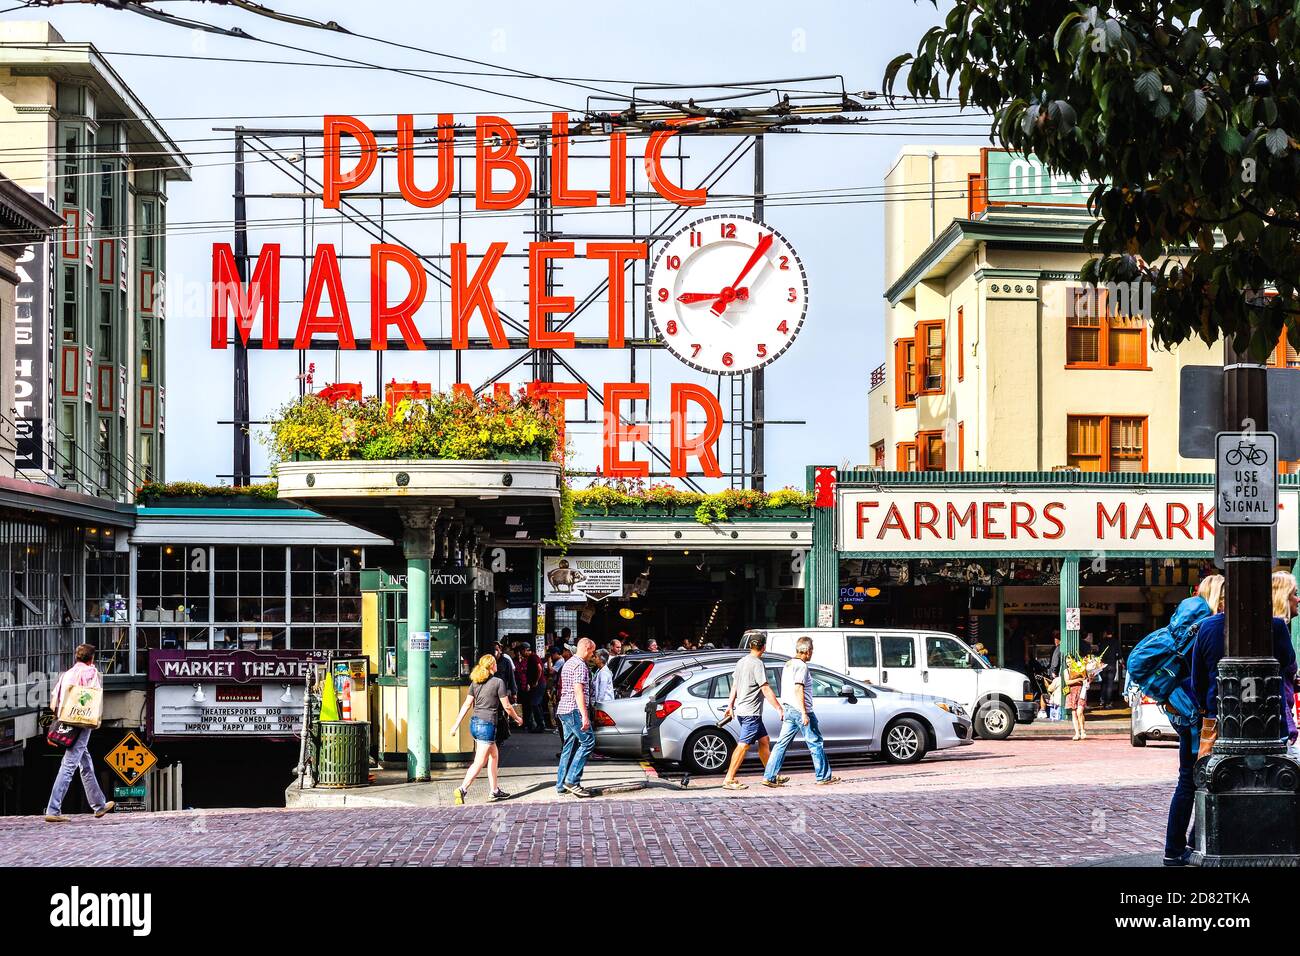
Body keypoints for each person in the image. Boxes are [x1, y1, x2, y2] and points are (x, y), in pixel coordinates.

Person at [1192, 576, 1299, 761]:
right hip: (1269, 722)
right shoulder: (1276, 626)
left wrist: (1208, 706)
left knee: (1214, 779)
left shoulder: (1207, 627)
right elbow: (1287, 662)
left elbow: (1197, 681)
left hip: (1219, 720)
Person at [1162, 574, 1223, 865]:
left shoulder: (1187, 626)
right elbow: (1200, 677)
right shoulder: (1209, 628)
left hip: (1182, 710)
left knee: (1190, 778)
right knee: (1196, 778)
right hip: (1197, 714)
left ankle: (1181, 845)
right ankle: (1179, 847)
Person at [45, 644, 114, 823]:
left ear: (77, 657)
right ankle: (53, 809)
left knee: (85, 762)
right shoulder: (91, 673)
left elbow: (55, 699)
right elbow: (95, 698)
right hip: (82, 723)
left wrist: (57, 720)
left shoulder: (66, 674)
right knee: (69, 765)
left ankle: (99, 805)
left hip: (66, 719)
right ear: (91, 658)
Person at [763, 636, 841, 787]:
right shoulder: (802, 666)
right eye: (811, 650)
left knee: (781, 744)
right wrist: (804, 712)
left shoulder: (788, 664)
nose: (812, 653)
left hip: (789, 709)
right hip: (800, 710)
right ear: (807, 650)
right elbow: (799, 687)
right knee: (815, 743)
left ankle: (769, 776)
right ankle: (823, 776)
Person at [450, 654, 524, 805]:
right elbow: (507, 706)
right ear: (491, 666)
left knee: (494, 756)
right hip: (487, 725)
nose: (497, 666)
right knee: (479, 762)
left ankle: (494, 790)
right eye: (495, 664)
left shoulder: (475, 682)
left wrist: (456, 725)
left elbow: (466, 705)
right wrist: (518, 718)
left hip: (475, 724)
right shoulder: (498, 682)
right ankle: (462, 789)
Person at [720, 632, 785, 790]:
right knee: (743, 745)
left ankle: (771, 774)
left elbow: (734, 685)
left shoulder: (742, 661)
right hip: (751, 712)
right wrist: (778, 708)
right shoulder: (757, 663)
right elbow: (765, 687)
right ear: (763, 647)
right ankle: (728, 779)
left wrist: (730, 705)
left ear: (750, 646)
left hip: (743, 710)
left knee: (764, 741)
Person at [555, 637, 598, 798]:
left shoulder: (569, 663)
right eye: (592, 651)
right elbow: (578, 691)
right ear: (587, 648)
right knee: (588, 742)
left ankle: (561, 784)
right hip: (574, 710)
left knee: (569, 746)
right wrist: (585, 716)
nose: (592, 655)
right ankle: (572, 780)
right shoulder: (580, 665)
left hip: (564, 709)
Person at [1272, 571, 1300, 750]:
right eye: (1294, 594)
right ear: (1283, 597)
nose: (1297, 599)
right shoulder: (1277, 628)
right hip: (1279, 720)